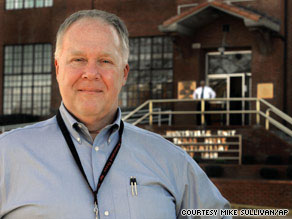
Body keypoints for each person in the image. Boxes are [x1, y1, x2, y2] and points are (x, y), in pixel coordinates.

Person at [0, 10, 230, 219]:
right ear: (58, 68)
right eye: (78, 59)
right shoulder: (6, 156)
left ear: (124, 73)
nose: (91, 73)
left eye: (105, 61)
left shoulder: (170, 160)